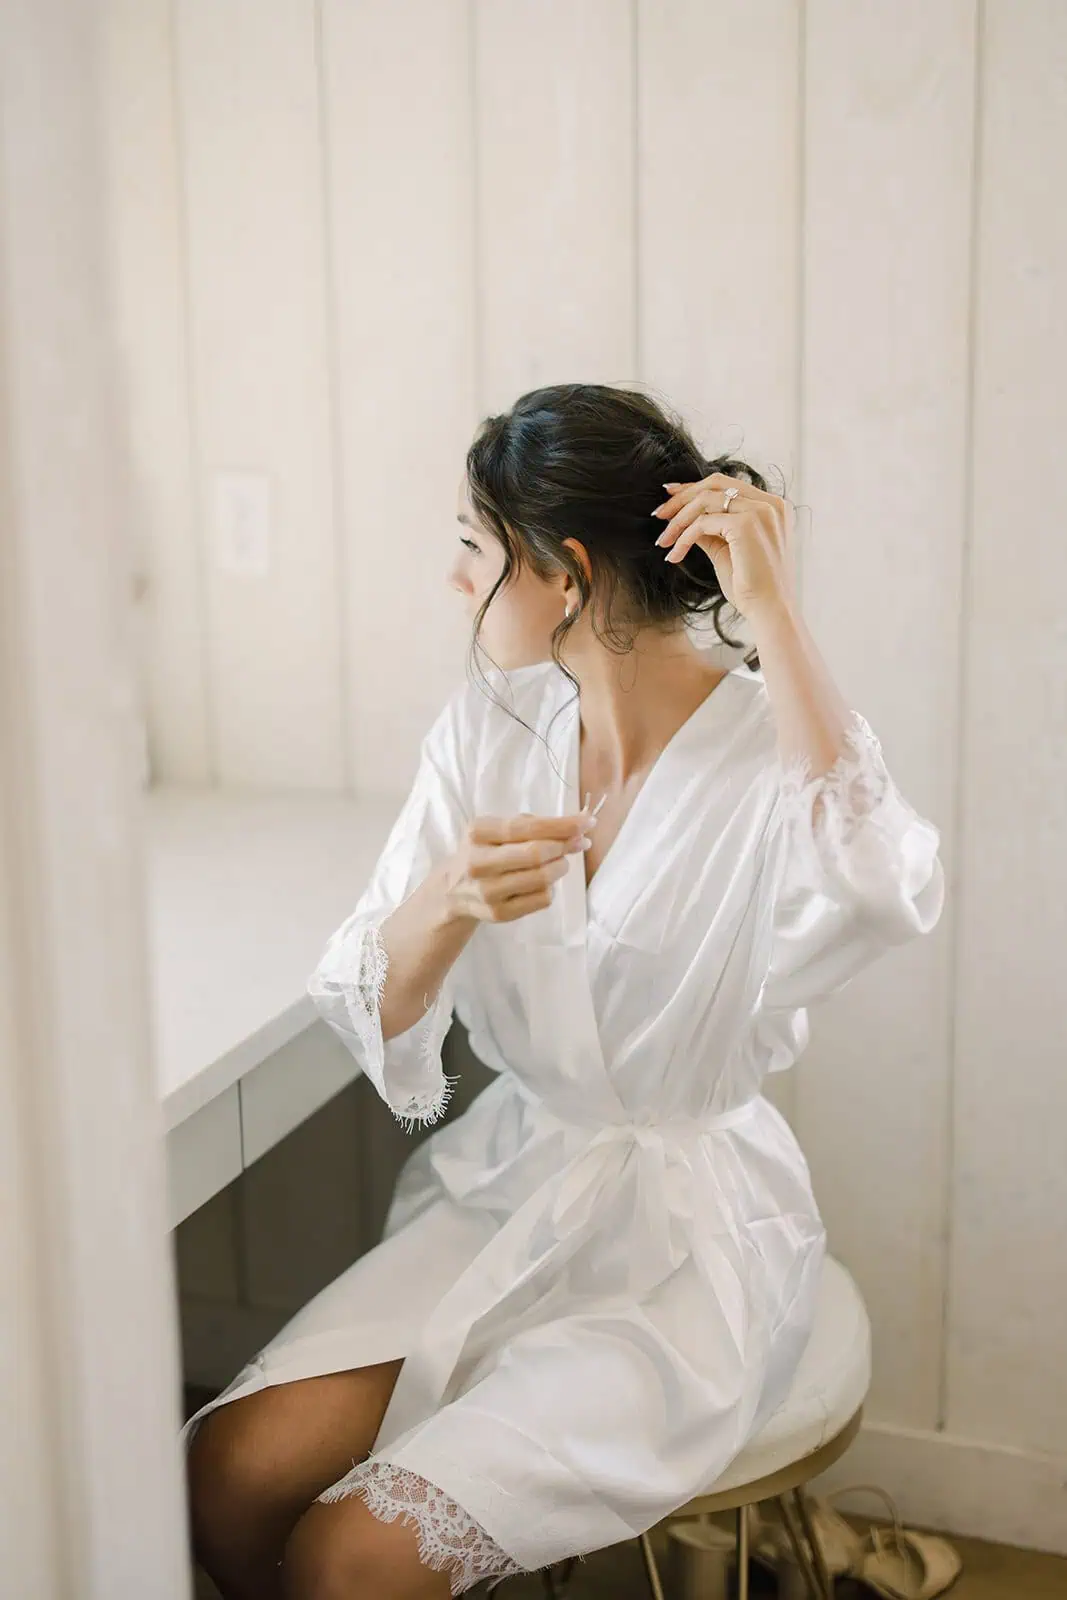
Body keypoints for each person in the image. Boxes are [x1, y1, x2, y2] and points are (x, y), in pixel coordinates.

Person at [182, 383, 945, 1599]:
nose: (453, 581)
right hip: (516, 1185)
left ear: (566, 574)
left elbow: (877, 889)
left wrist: (778, 616)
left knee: (347, 1556)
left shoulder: (767, 756)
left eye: (473, 549)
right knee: (225, 1473)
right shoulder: (490, 733)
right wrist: (445, 900)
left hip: (684, 1256)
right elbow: (366, 1004)